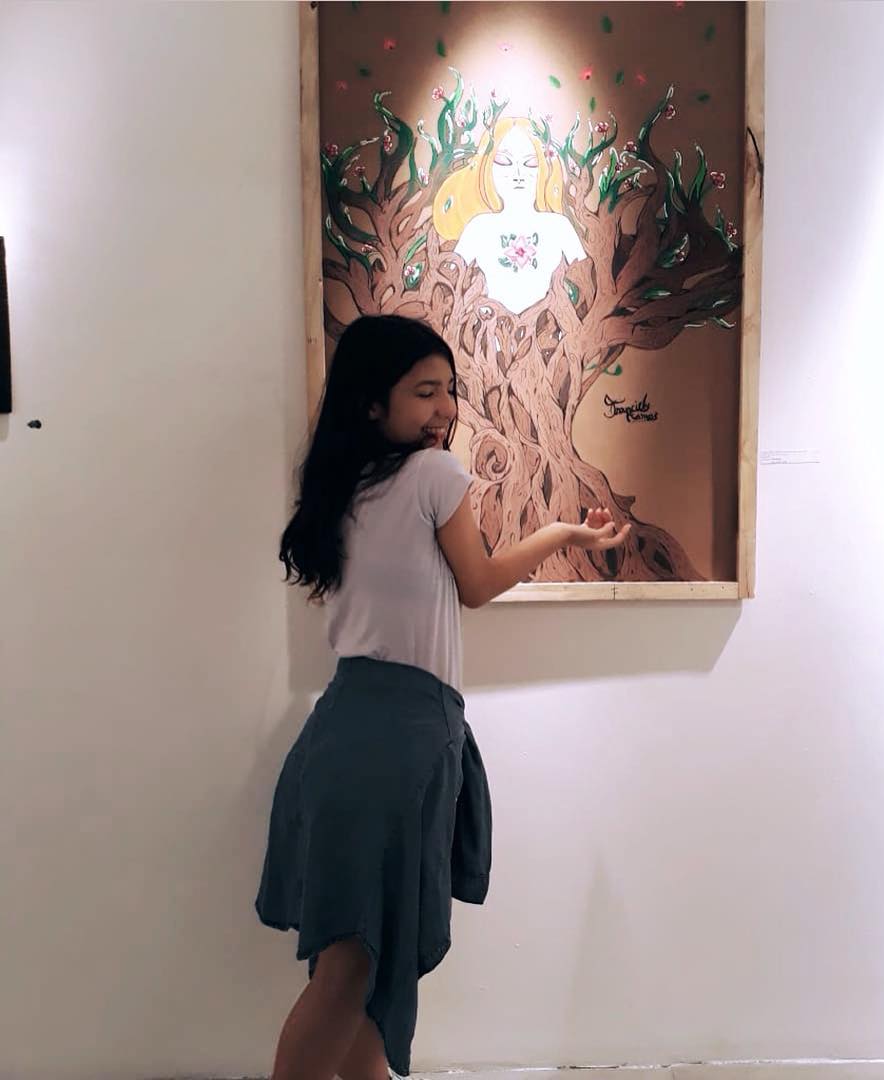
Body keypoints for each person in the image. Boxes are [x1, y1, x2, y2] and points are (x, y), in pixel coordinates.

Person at [255, 314, 630, 1080]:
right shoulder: (433, 475)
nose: (445, 410)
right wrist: (562, 533)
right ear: (373, 402)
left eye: (449, 391)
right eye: (425, 392)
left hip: (342, 731)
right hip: (397, 741)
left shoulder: (347, 486)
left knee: (359, 960)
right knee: (354, 968)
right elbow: (479, 584)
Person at [433, 116, 587, 315]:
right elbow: (448, 281)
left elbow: (586, 281)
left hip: (548, 328)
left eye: (530, 163)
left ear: (546, 168)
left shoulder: (559, 226)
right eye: (504, 161)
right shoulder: (480, 227)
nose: (518, 173)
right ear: (486, 167)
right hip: (489, 326)